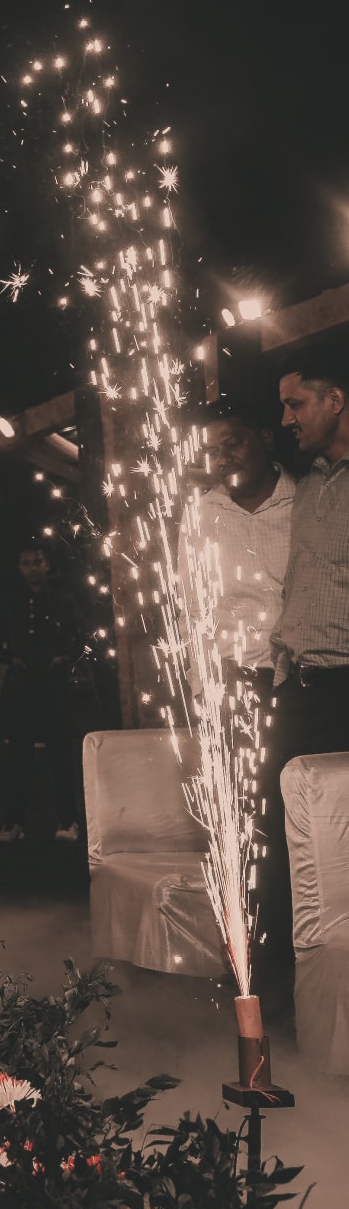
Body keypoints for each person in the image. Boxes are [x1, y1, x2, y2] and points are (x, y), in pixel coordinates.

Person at [259, 360, 349, 991]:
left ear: (335, 399)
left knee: (339, 843)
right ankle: (281, 984)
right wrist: (283, 666)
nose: (286, 418)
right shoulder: (310, 481)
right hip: (298, 688)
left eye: (296, 404)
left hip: (345, 686)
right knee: (279, 832)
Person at [179, 399, 295, 696]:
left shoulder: (303, 502)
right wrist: (202, 685)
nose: (223, 459)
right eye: (211, 452)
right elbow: (193, 610)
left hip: (299, 681)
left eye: (232, 445)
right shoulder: (201, 515)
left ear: (265, 439)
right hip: (230, 683)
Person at [0, 543, 87, 844]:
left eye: (38, 562)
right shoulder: (11, 603)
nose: (33, 569)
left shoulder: (63, 601)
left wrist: (65, 657)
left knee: (60, 756)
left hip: (54, 687)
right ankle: (14, 822)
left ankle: (67, 820)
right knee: (19, 757)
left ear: (47, 565)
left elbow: (82, 635)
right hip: (22, 687)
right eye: (26, 563)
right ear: (19, 568)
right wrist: (10, 658)